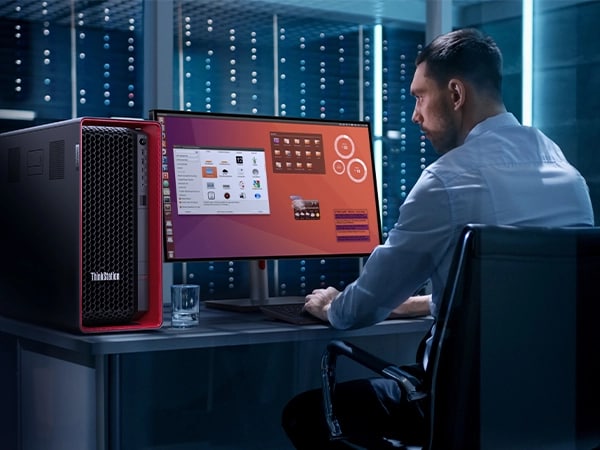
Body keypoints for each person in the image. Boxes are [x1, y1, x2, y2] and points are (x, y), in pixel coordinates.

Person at [281, 27, 595, 449]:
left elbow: (359, 311)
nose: (414, 115)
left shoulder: (447, 180)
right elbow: (531, 296)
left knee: (303, 414)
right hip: (562, 404)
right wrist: (425, 302)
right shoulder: (567, 174)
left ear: (456, 94)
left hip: (464, 408)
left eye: (419, 96)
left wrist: (329, 305)